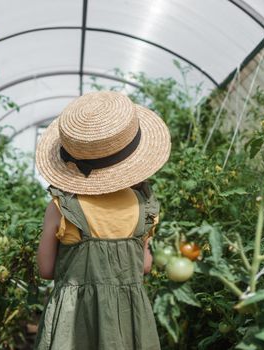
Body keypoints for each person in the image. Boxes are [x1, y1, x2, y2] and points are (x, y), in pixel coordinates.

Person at [34, 91, 171, 350]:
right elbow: (144, 265)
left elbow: (46, 270)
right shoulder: (144, 206)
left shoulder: (62, 207)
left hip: (73, 322)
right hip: (128, 319)